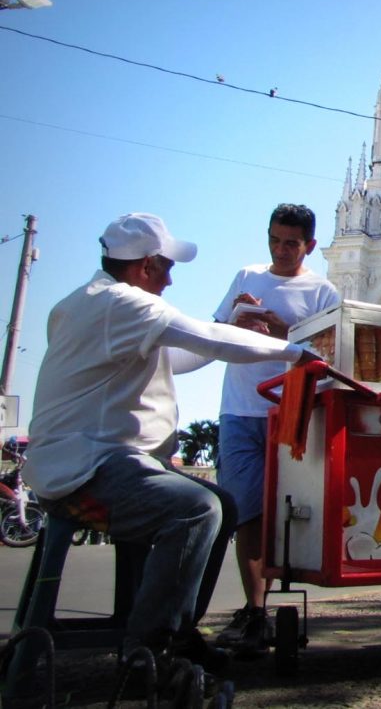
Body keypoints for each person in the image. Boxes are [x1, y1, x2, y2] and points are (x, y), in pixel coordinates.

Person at [23, 213, 316, 672]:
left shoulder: (81, 303)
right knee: (199, 508)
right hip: (92, 467)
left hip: (84, 460)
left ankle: (176, 628)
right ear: (143, 266)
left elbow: (181, 356)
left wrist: (235, 322)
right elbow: (210, 340)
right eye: (165, 267)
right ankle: (152, 645)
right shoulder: (127, 304)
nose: (172, 278)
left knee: (223, 504)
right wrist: (296, 352)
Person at [214, 204, 340, 655]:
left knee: (285, 511)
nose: (281, 250)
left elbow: (332, 355)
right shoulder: (247, 277)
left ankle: (270, 603)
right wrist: (237, 319)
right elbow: (214, 332)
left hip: (291, 411)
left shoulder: (323, 292)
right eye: (274, 240)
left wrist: (288, 331)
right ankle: (255, 610)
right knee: (244, 510)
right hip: (240, 410)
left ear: (308, 244)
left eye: (291, 243)